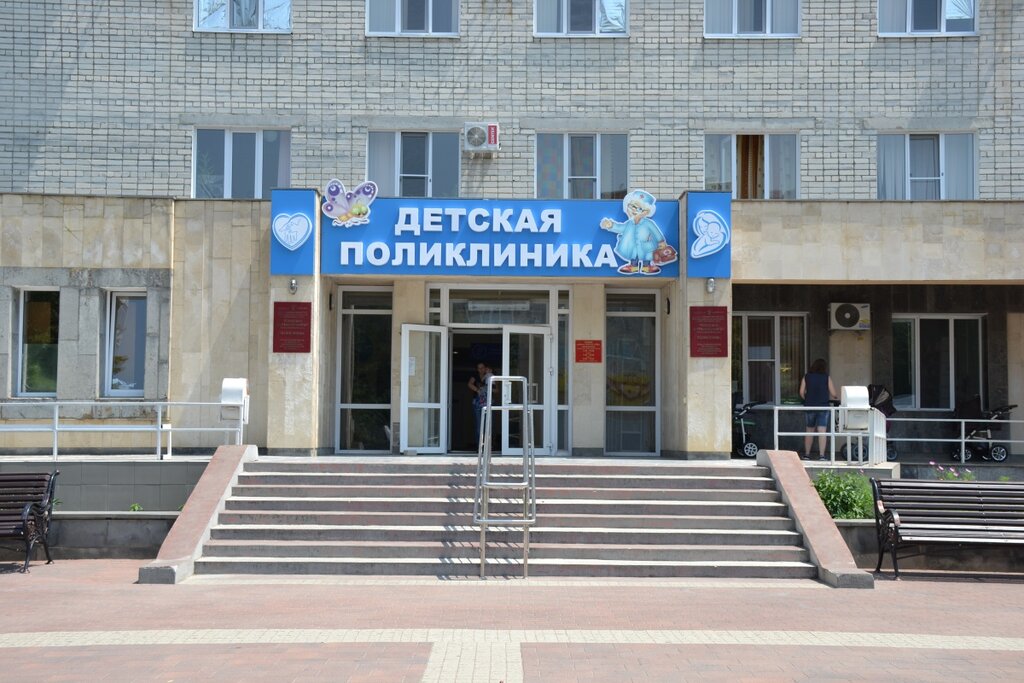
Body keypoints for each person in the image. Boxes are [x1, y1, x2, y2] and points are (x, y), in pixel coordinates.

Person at [800, 358, 839, 460]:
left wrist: (807, 399)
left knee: (809, 430)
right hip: (823, 407)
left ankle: (807, 455)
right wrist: (836, 397)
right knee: (822, 431)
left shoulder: (807, 376)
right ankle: (822, 455)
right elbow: (833, 393)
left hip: (809, 406)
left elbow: (801, 392)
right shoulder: (826, 377)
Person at [467, 361, 494, 447]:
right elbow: (469, 384)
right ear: (477, 369)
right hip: (477, 403)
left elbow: (497, 390)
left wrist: (487, 389)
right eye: (479, 368)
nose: (481, 369)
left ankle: (487, 446)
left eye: (482, 367)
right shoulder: (475, 376)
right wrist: (477, 390)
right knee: (479, 426)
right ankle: (479, 446)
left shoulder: (490, 376)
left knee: (488, 425)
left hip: (488, 403)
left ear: (486, 368)